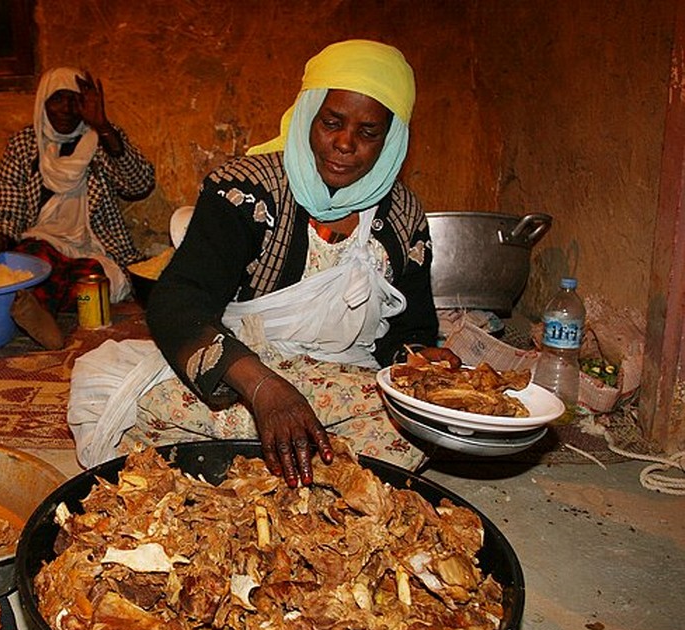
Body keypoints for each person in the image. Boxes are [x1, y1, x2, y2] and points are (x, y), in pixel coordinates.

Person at [68, 40, 457, 486]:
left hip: (343, 380)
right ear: (309, 112)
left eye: (369, 133)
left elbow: (412, 330)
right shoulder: (246, 191)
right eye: (331, 122)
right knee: (127, 397)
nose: (345, 143)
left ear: (392, 140)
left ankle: (256, 468)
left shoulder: (403, 217)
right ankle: (303, 467)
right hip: (239, 369)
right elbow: (178, 302)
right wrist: (262, 388)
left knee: (410, 426)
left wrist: (421, 361)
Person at [0, 67, 155, 349]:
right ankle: (41, 316)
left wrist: (103, 127)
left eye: (75, 99)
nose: (67, 108)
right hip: (44, 242)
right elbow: (8, 207)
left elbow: (140, 185)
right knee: (33, 261)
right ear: (43, 102)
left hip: (93, 248)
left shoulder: (101, 140)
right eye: (58, 99)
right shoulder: (25, 146)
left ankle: (38, 310)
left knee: (92, 279)